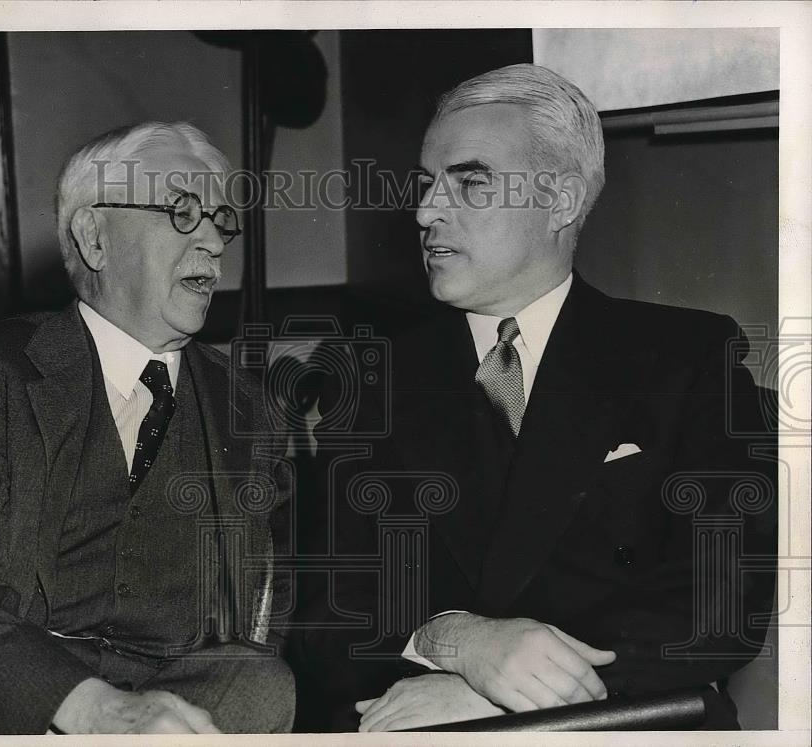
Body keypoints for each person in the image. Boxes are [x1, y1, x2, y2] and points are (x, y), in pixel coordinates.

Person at [298, 64, 776, 732]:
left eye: (468, 182)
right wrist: (457, 641)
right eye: (426, 185)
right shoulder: (371, 378)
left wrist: (510, 691)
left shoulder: (689, 357)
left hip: (623, 719)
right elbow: (327, 614)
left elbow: (723, 601)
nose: (425, 211)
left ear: (560, 201)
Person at [0, 122, 294, 735]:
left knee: (260, 685)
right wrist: (95, 709)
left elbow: (264, 612)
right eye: (182, 213)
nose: (214, 243)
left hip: (179, 698)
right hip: (9, 701)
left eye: (220, 220)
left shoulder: (249, 410)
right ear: (94, 238)